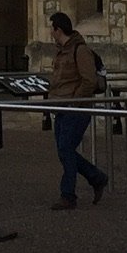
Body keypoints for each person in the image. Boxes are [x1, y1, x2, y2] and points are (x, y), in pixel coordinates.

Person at [44, 12, 107, 211]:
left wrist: (75, 101)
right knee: (64, 152)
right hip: (62, 107)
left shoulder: (80, 50)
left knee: (65, 150)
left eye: (51, 28)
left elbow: (89, 80)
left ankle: (68, 195)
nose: (50, 32)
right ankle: (97, 178)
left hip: (76, 108)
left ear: (58, 30)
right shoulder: (61, 51)